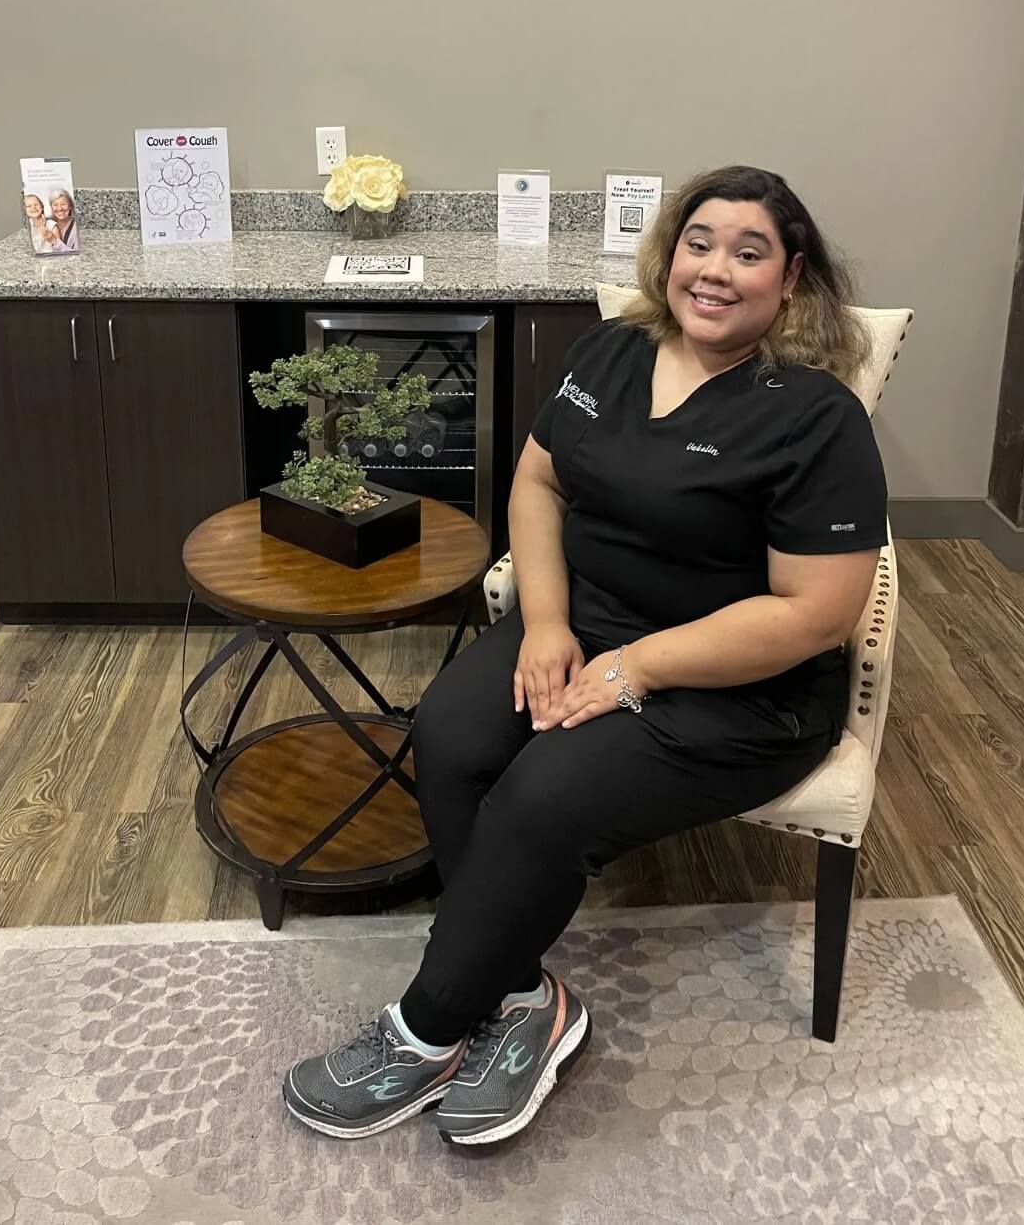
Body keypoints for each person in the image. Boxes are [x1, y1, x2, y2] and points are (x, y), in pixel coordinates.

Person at [282, 165, 887, 1148]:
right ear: (670, 253)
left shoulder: (814, 417)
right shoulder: (611, 351)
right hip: (586, 626)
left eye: (748, 253)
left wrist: (635, 668)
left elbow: (816, 614)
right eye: (699, 243)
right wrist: (548, 622)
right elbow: (536, 484)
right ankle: (524, 997)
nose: (715, 270)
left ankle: (424, 1030)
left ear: (789, 279)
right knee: (449, 735)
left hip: (739, 687)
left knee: (542, 797)